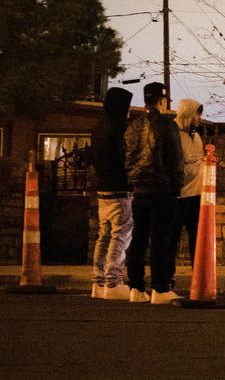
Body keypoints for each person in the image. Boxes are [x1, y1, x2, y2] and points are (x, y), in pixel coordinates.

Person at [124, 81, 184, 304]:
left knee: (138, 239)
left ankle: (136, 288)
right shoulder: (168, 125)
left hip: (139, 190)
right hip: (162, 189)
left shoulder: (133, 125)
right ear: (162, 101)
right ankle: (159, 287)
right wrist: (176, 187)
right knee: (161, 240)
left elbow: (128, 158)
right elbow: (175, 160)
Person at [90, 87, 135, 300]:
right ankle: (113, 281)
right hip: (120, 188)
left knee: (104, 235)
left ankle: (98, 281)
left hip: (102, 189)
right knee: (121, 234)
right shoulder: (120, 129)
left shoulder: (98, 128)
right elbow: (126, 158)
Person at [171, 99, 205, 268]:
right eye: (196, 115)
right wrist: (198, 165)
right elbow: (176, 166)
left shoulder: (196, 136)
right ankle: (167, 280)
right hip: (179, 195)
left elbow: (197, 159)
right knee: (172, 239)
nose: (198, 118)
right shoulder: (174, 135)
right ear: (187, 114)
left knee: (197, 238)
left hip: (197, 195)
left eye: (199, 115)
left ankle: (197, 275)